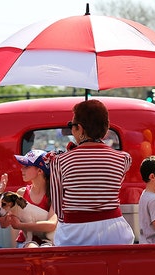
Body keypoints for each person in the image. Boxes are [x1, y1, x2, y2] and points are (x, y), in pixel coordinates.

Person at [49, 99, 135, 246]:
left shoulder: (59, 161)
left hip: (74, 233)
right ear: (106, 128)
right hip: (115, 231)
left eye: (72, 126)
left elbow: (58, 207)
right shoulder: (124, 158)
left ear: (80, 129)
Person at [0, 149, 57, 247]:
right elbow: (4, 224)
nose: (22, 169)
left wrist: (20, 226)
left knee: (43, 249)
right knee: (32, 247)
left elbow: (51, 225)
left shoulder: (54, 194)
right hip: (26, 243)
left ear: (40, 170)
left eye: (27, 166)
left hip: (48, 242)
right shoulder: (21, 193)